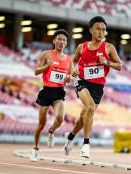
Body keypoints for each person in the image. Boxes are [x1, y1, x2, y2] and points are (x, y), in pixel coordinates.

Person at [63, 16, 122, 158]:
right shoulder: (82, 47)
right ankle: (86, 144)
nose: (101, 32)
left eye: (103, 30)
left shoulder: (109, 48)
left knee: (83, 118)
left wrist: (107, 62)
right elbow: (72, 61)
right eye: (98, 29)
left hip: (98, 87)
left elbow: (119, 65)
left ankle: (69, 139)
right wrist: (73, 71)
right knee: (89, 108)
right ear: (91, 30)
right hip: (82, 82)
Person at [30, 29, 72, 161]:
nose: (61, 42)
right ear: (54, 41)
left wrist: (68, 78)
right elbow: (36, 71)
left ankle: (51, 132)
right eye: (59, 39)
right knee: (41, 124)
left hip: (59, 91)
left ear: (66, 43)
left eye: (64, 40)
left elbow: (70, 74)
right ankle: (35, 149)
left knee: (60, 118)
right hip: (46, 91)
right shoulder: (46, 54)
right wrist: (46, 67)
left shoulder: (69, 59)